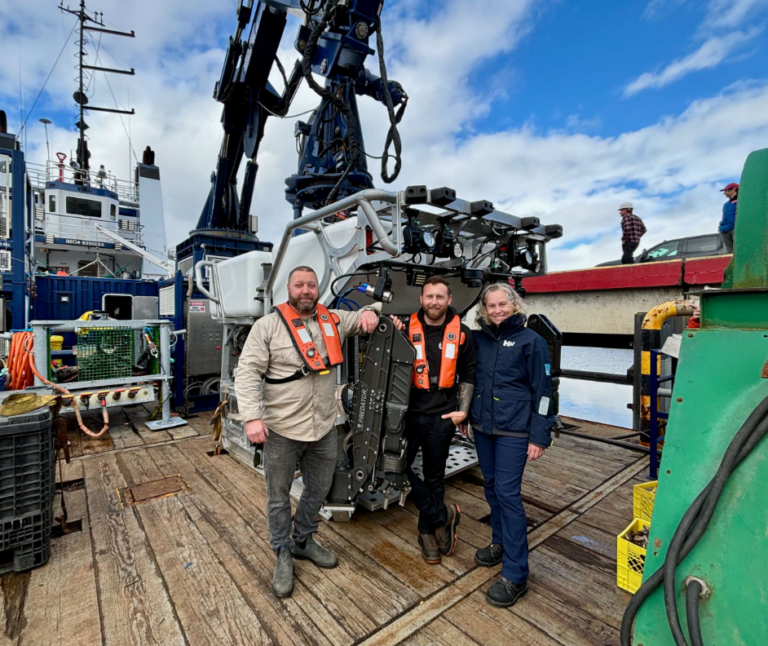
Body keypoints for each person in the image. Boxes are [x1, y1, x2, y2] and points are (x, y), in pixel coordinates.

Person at [235, 266, 380, 598]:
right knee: (278, 496)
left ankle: (303, 539)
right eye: (299, 285)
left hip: (325, 426)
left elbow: (365, 317)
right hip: (282, 429)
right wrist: (252, 418)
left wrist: (373, 313)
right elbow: (247, 373)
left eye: (311, 285)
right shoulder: (267, 327)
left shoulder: (334, 320)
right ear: (288, 289)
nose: (305, 290)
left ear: (318, 289)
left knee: (319, 488)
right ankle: (282, 550)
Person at [461, 282, 554, 608]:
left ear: (514, 305)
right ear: (483, 309)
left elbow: (544, 393)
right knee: (491, 487)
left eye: (503, 304)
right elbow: (468, 379)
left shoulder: (533, 342)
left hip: (515, 431)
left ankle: (516, 574)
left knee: (508, 494)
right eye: (491, 306)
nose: (497, 310)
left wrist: (540, 435)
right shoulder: (477, 340)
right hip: (483, 428)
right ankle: (499, 542)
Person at [390, 276, 476, 565]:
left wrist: (462, 412)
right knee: (394, 466)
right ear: (421, 299)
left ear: (449, 300)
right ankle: (443, 514)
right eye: (429, 296)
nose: (434, 302)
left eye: (440, 297)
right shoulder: (404, 328)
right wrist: (391, 330)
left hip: (442, 415)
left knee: (435, 477)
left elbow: (469, 375)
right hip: (408, 414)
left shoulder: (463, 334)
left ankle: (427, 530)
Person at [718, 182, 738, 254]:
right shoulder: (726, 205)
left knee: (738, 250)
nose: (725, 193)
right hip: (725, 230)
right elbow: (724, 217)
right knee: (730, 253)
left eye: (727, 190)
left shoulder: (741, 202)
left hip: (735, 230)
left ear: (734, 189)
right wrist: (721, 227)